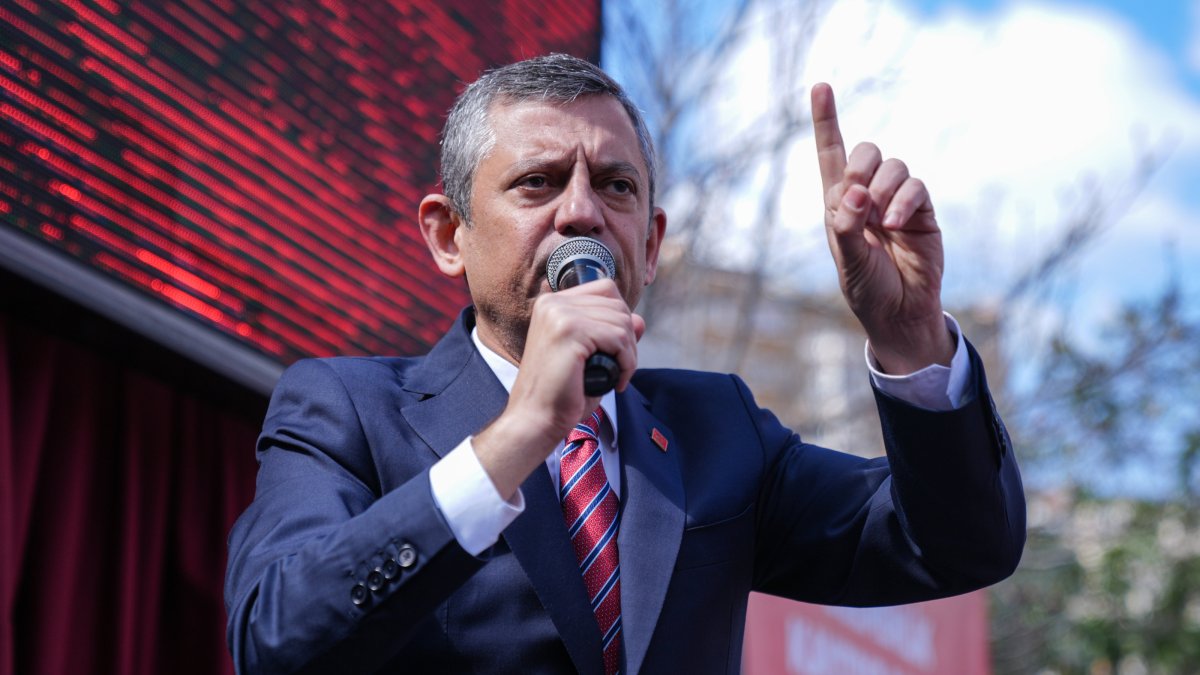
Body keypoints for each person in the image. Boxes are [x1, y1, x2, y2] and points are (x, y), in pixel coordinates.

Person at [224, 53, 1025, 674]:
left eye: (614, 185)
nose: (581, 212)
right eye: (537, 183)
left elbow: (956, 544)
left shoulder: (721, 433)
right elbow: (278, 637)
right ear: (447, 234)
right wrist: (521, 434)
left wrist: (910, 334)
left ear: (649, 242)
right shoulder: (348, 409)